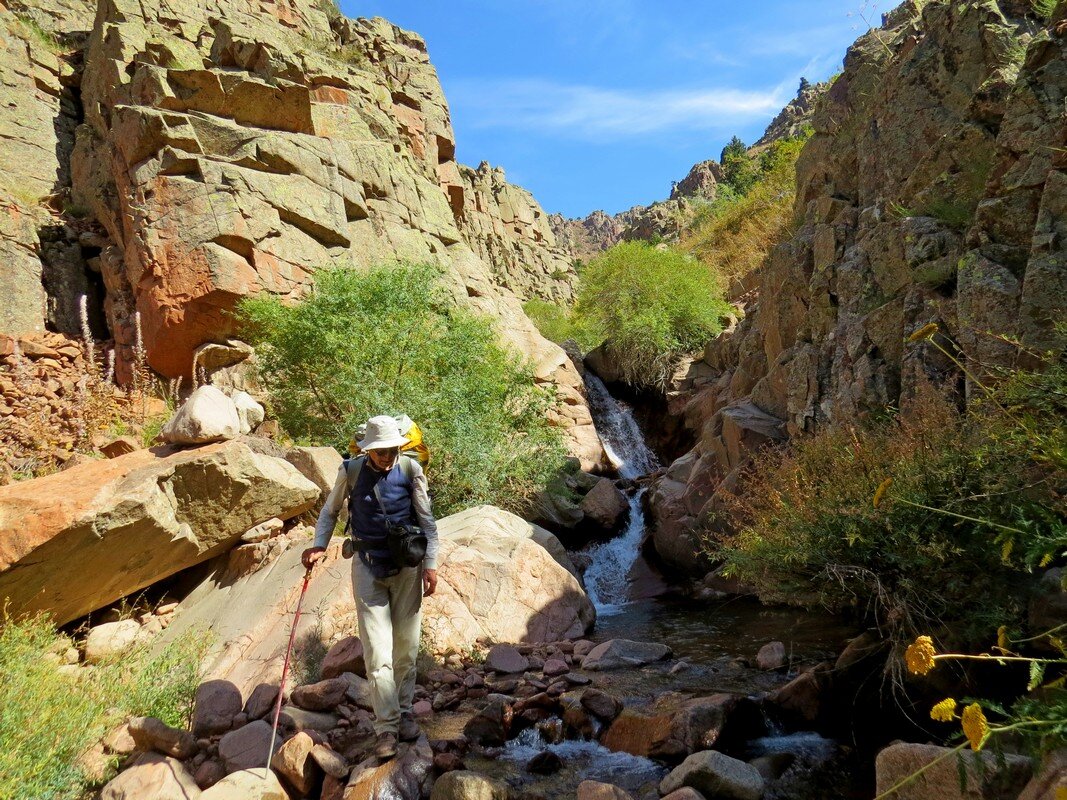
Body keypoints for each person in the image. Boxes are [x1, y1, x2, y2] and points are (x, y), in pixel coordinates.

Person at [302, 415, 439, 760]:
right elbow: (330, 512)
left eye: (392, 450)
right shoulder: (350, 471)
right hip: (366, 566)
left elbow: (427, 521)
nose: (387, 457)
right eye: (381, 452)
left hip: (407, 569)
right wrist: (319, 545)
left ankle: (405, 712)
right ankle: (386, 728)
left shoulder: (410, 469)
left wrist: (431, 564)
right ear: (368, 450)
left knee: (406, 649)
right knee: (377, 652)